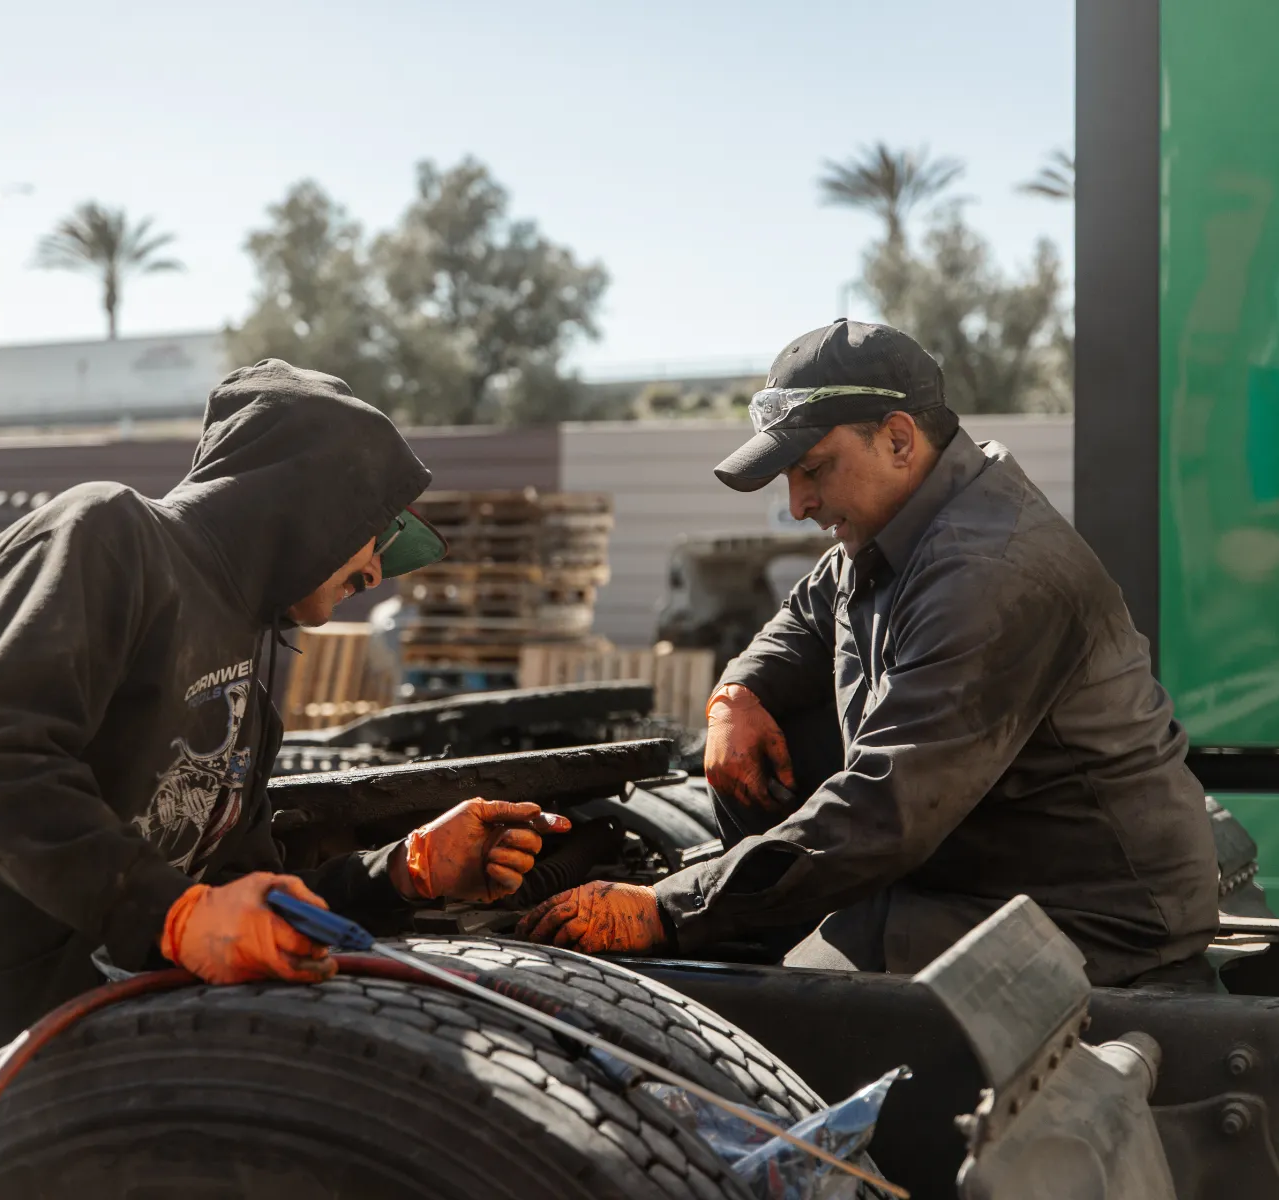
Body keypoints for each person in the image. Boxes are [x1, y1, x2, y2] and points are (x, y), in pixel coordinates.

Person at [0, 360, 569, 1200]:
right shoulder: (106, 534)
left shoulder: (250, 693)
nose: (379, 570)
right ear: (309, 498)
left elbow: (237, 896)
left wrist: (406, 870)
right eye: (376, 533)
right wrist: (172, 915)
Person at [519, 320, 1220, 987]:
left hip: (1092, 918)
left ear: (898, 439)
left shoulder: (989, 573)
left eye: (814, 469)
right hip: (975, 871)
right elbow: (810, 610)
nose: (798, 504)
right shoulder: (902, 527)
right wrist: (740, 692)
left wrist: (669, 910)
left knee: (780, 1019)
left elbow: (887, 810)